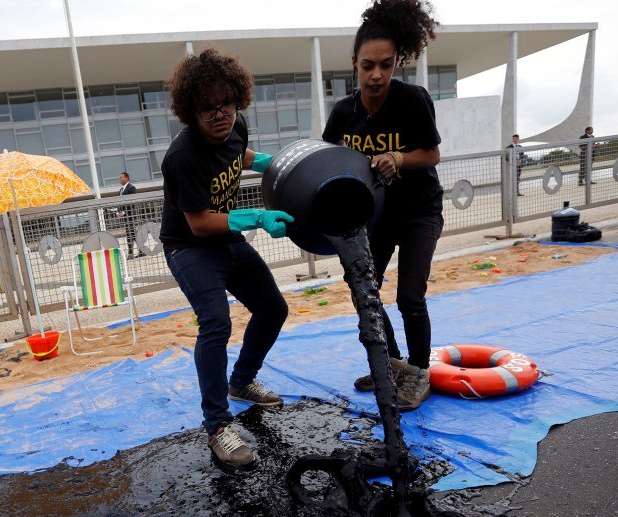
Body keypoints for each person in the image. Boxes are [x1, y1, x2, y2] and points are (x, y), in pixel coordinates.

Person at [160, 48, 293, 470]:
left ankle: (241, 382)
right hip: (191, 246)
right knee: (216, 322)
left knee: (273, 307)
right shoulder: (182, 157)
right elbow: (199, 224)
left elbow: (239, 154)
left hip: (227, 237)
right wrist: (253, 216)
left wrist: (271, 163)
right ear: (190, 111)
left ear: (238, 99)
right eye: (208, 108)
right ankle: (218, 425)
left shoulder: (237, 128)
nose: (220, 115)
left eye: (226, 104)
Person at [322, 0, 442, 411]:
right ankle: (389, 362)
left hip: (419, 211)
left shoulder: (412, 101)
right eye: (368, 65)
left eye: (386, 65)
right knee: (365, 292)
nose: (377, 75)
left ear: (397, 63)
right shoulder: (344, 112)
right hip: (377, 216)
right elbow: (329, 159)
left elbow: (432, 154)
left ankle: (418, 372)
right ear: (354, 62)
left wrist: (400, 158)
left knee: (410, 295)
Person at [117, 172, 140, 258]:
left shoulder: (131, 188)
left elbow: (132, 203)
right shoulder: (121, 190)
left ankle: (131, 253)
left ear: (126, 178)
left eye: (121, 177)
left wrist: (125, 212)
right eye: (119, 178)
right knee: (132, 233)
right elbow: (119, 202)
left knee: (130, 233)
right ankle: (140, 250)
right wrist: (119, 212)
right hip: (125, 217)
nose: (120, 179)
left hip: (130, 216)